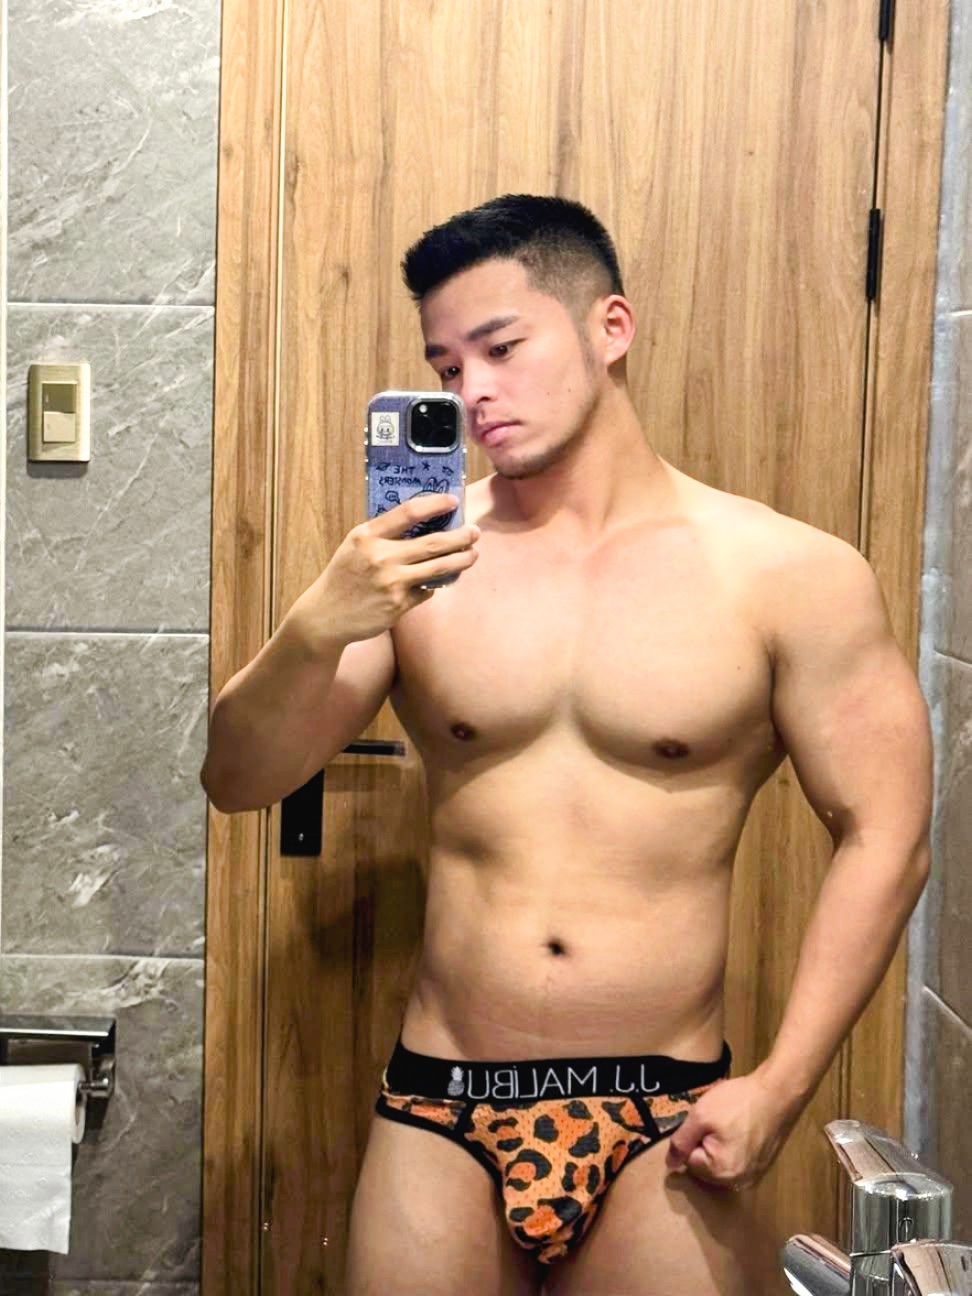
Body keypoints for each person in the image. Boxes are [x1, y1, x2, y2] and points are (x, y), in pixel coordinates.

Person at [200, 194, 934, 1296]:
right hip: (441, 1104)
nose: (473, 391)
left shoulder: (788, 574)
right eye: (447, 366)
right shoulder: (418, 567)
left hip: (666, 1118)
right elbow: (236, 779)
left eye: (501, 348)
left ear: (610, 327)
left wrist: (782, 1087)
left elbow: (887, 835)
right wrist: (315, 626)